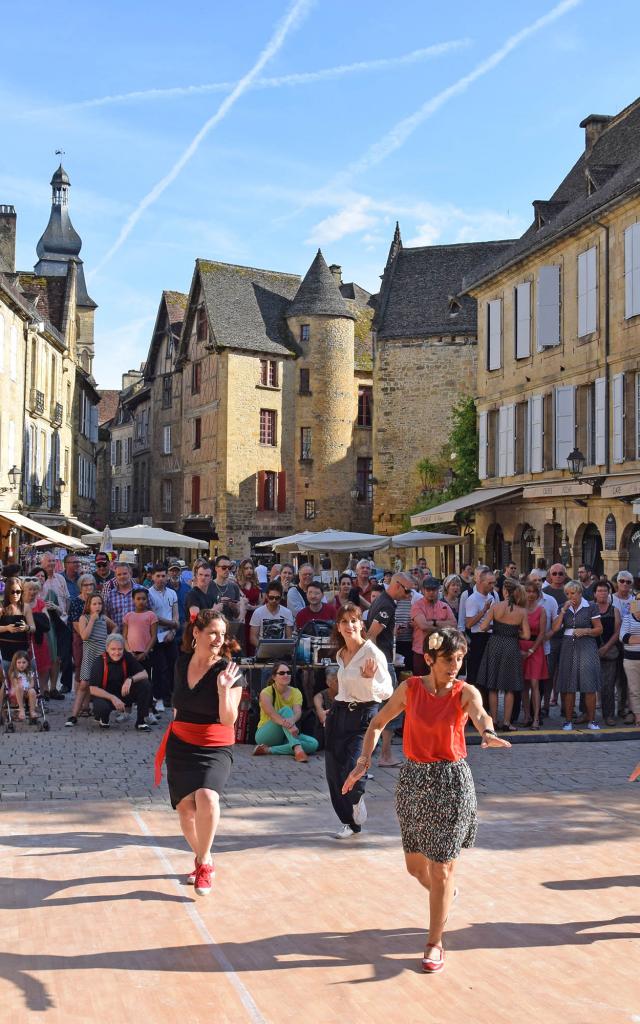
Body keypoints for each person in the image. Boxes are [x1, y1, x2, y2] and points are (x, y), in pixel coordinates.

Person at [342, 627, 511, 973]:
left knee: (442, 867)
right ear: (431, 659)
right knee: (416, 867)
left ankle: (434, 942)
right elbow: (376, 724)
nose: (455, 666)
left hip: (451, 782)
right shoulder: (410, 689)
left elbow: (481, 714)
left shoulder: (465, 692)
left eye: (460, 659)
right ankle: (444, 893)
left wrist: (488, 733)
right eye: (449, 659)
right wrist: (363, 760)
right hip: (414, 780)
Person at [153, 609, 243, 896]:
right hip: (181, 744)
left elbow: (229, 719)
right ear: (196, 633)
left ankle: (204, 863)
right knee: (186, 811)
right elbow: (178, 704)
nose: (218, 639)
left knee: (207, 796)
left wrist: (222, 690)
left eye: (221, 633)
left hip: (215, 744)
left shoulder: (229, 671)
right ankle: (203, 856)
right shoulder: (181, 663)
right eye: (212, 632)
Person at [325, 603, 393, 838]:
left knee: (355, 764)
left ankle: (357, 796)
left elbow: (387, 690)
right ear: (339, 626)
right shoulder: (341, 654)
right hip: (340, 712)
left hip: (364, 714)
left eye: (354, 620)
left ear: (361, 624)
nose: (350, 625)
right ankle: (349, 823)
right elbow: (343, 687)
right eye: (345, 621)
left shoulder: (372, 653)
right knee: (333, 770)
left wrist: (369, 680)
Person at [367, 573, 415, 767]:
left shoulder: (384, 602)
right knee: (392, 708)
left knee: (384, 708)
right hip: (383, 663)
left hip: (383, 661)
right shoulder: (386, 604)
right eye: (407, 590)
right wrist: (378, 664)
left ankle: (381, 753)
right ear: (397, 585)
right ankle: (385, 755)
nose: (409, 594)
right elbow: (371, 634)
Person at [477, 580, 530, 731]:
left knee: (493, 686)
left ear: (505, 592)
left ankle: (493, 721)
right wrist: (514, 631)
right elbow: (526, 635)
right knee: (509, 687)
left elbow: (482, 627)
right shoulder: (521, 611)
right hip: (511, 646)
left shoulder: (496, 607)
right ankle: (507, 722)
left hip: (495, 644)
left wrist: (495, 626)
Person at [552, 580, 603, 731]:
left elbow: (599, 629)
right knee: (569, 685)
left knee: (589, 685)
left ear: (580, 593)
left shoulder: (591, 606)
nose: (570, 596)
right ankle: (568, 721)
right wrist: (562, 611)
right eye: (567, 594)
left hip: (587, 645)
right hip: (568, 646)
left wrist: (586, 631)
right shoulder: (563, 607)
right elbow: (555, 628)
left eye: (573, 593)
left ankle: (592, 720)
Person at [66, 594, 117, 726]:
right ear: (88, 605)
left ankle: (101, 714)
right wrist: (92, 620)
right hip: (89, 655)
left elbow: (115, 627)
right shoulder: (84, 618)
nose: (97, 606)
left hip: (101, 655)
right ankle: (73, 715)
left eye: (99, 604)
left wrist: (110, 638)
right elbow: (84, 636)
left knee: (101, 685)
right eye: (94, 604)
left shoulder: (104, 618)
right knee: (84, 684)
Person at [253, 663, 319, 761]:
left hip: (287, 733)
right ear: (274, 677)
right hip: (266, 735)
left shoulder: (296, 692)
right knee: (286, 710)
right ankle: (298, 749)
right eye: (282, 673)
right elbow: (271, 714)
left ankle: (268, 750)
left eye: (288, 672)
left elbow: (297, 712)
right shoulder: (266, 692)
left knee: (313, 744)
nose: (286, 675)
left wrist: (292, 722)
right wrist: (291, 725)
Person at [88, 633, 152, 731]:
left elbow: (144, 674)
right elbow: (92, 689)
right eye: (113, 649)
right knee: (101, 708)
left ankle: (141, 722)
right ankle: (103, 718)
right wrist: (112, 698)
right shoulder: (99, 662)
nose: (117, 653)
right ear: (107, 648)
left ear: (123, 648)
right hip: (106, 697)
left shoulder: (127, 657)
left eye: (120, 649)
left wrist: (130, 679)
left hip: (123, 694)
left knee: (145, 684)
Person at [146, 565, 179, 713]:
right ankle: (157, 697)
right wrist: (173, 624)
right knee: (159, 669)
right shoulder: (148, 593)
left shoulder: (172, 593)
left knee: (172, 667)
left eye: (163, 576)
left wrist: (173, 630)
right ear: (152, 577)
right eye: (158, 576)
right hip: (155, 637)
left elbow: (175, 613)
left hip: (170, 635)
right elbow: (154, 617)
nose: (161, 579)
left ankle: (169, 697)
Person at [518, 580, 548, 729]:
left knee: (535, 683)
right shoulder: (519, 608)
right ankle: (526, 715)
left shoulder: (541, 610)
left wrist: (531, 650)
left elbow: (542, 633)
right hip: (521, 647)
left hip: (535, 649)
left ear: (537, 594)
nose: (530, 594)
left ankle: (536, 717)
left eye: (533, 592)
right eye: (527, 591)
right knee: (524, 684)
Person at [410, 577, 456, 675]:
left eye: (434, 590)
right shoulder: (417, 605)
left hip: (440, 652)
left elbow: (454, 625)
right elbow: (423, 626)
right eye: (428, 590)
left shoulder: (444, 606)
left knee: (439, 683)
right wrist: (443, 626)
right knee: (421, 683)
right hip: (421, 651)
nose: (431, 592)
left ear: (438, 590)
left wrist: (434, 622)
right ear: (423, 590)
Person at [40, 552, 71, 696]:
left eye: (53, 561)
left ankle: (54, 688)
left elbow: (67, 599)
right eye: (48, 561)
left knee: (58, 657)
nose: (51, 564)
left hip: (62, 621)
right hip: (46, 622)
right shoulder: (38, 578)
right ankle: (44, 689)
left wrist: (65, 614)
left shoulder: (60, 579)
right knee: (47, 656)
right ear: (42, 563)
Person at [463, 568, 499, 690]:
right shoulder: (472, 599)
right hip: (478, 638)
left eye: (494, 582)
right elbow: (469, 624)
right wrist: (483, 610)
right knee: (476, 672)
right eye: (490, 583)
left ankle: (487, 703)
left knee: (488, 672)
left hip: (490, 636)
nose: (493, 586)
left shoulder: (492, 597)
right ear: (481, 582)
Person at [593, 580, 621, 727]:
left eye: (605, 591)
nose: (602, 593)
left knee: (608, 685)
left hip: (610, 651)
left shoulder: (614, 610)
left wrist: (607, 647)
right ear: (595, 593)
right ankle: (587, 714)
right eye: (600, 591)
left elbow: (617, 632)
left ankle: (609, 715)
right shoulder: (590, 609)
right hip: (592, 651)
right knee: (589, 684)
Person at [542, 563, 568, 714]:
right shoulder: (544, 592)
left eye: (561, 573)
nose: (558, 576)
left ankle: (566, 706)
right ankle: (545, 706)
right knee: (548, 674)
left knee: (565, 673)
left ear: (565, 575)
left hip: (566, 638)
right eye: (555, 573)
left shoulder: (570, 592)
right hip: (550, 639)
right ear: (550, 575)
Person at [22, 578, 52, 693]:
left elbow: (47, 621)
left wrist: (31, 619)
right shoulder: (20, 604)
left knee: (43, 667)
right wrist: (38, 618)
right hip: (24, 640)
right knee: (27, 667)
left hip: (39, 641)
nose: (33, 592)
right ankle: (30, 692)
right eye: (30, 589)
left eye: (35, 589)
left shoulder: (40, 603)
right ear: (24, 590)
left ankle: (42, 691)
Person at [0, 578, 36, 673]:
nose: (15, 594)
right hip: (5, 648)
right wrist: (7, 628)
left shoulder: (26, 607)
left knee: (22, 678)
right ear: (7, 592)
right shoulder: (2, 607)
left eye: (18, 591)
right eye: (12, 592)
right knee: (6, 677)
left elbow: (33, 628)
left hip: (21, 648)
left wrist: (26, 627)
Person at [68, 574, 97, 686]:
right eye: (85, 585)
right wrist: (86, 637)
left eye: (91, 584)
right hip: (80, 638)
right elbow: (75, 624)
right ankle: (79, 696)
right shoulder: (76, 602)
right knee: (80, 665)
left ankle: (92, 694)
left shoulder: (97, 600)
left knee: (95, 666)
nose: (89, 587)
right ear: (80, 587)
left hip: (96, 638)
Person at [249, 581, 294, 648]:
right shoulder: (258, 612)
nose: (274, 600)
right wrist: (263, 649)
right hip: (262, 651)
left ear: (281, 597)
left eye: (277, 598)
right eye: (271, 597)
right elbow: (253, 638)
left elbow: (289, 637)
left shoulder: (287, 613)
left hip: (281, 651)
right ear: (266, 596)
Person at [103, 562, 143, 632]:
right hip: (118, 637)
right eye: (119, 574)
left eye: (125, 573)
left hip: (138, 635)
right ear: (115, 577)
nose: (122, 576)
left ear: (130, 574)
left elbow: (151, 612)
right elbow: (106, 616)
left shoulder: (142, 591)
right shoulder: (110, 595)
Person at [209, 556, 242, 633]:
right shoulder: (208, 586)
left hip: (229, 628)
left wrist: (234, 607)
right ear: (216, 568)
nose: (227, 570)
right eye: (224, 567)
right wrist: (214, 610)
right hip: (212, 628)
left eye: (229, 568)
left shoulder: (234, 586)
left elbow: (237, 614)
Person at [236, 559, 262, 655]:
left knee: (253, 645)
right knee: (242, 643)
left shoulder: (256, 585)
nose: (249, 570)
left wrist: (251, 608)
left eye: (251, 568)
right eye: (246, 568)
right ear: (242, 570)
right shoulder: (237, 585)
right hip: (242, 619)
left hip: (254, 619)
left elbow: (261, 605)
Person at [620, 600, 640, 726]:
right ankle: (638, 716)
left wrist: (633, 639)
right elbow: (623, 637)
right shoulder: (627, 618)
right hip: (631, 660)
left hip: (631, 658)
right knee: (634, 690)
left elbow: (629, 638)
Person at [6, 650, 38, 723]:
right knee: (19, 687)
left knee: (32, 691)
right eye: (19, 662)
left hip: (27, 692)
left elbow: (32, 683)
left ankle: (32, 711)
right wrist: (22, 688)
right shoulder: (14, 673)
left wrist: (28, 688)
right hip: (16, 692)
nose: (21, 665)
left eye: (24, 662)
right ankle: (21, 709)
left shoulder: (29, 673)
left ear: (28, 663)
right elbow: (15, 684)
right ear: (15, 663)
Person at [167, 560, 190, 641]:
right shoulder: (164, 588)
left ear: (180, 572)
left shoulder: (187, 588)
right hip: (168, 630)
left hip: (184, 629)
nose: (174, 573)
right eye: (172, 571)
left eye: (176, 571)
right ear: (168, 573)